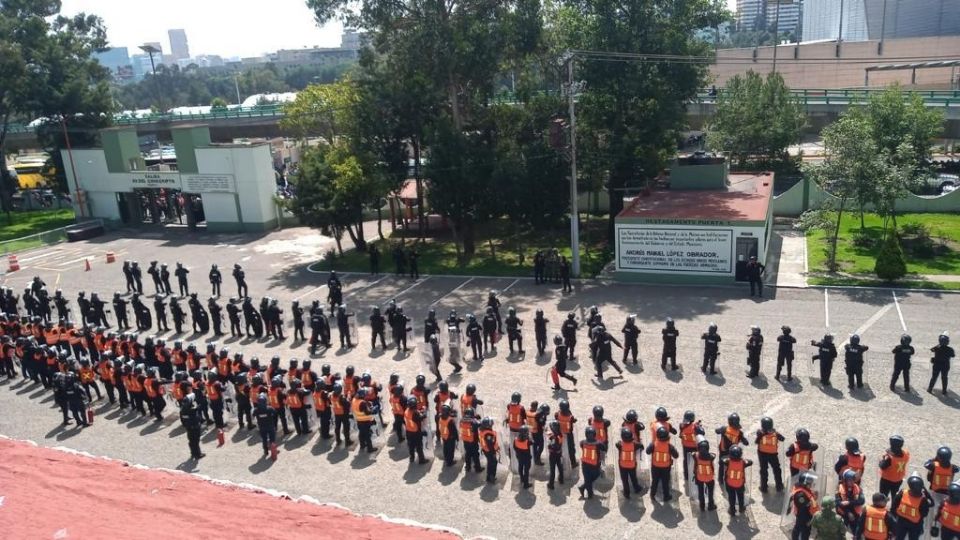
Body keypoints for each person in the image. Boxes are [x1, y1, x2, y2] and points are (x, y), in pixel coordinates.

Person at [892, 473, 933, 540]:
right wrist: (925, 491)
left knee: (899, 538)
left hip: (901, 521)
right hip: (915, 524)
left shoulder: (902, 493)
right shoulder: (923, 499)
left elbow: (894, 505)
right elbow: (926, 511)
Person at [647, 426, 679, 502]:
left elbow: (647, 451)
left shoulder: (654, 444)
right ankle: (666, 496)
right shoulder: (669, 446)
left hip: (655, 467)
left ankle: (652, 494)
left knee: (655, 481)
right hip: (666, 467)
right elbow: (676, 455)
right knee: (665, 482)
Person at [755, 416, 785, 493]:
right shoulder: (776, 434)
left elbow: (756, 442)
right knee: (777, 470)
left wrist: (761, 434)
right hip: (773, 454)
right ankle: (779, 486)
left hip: (762, 454)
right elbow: (782, 439)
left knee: (764, 470)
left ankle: (764, 487)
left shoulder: (760, 433)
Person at [723, 444, 753, 516]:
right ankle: (741, 508)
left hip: (729, 484)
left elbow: (722, 460)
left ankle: (732, 510)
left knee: (731, 497)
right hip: (740, 484)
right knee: (740, 496)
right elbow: (750, 462)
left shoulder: (728, 462)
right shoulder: (743, 463)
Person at [879, 435, 911, 501]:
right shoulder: (906, 454)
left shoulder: (890, 459)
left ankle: (882, 506)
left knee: (883, 495)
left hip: (887, 480)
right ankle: (894, 506)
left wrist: (883, 458)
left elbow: (882, 466)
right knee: (895, 494)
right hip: (898, 479)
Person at [790, 471, 820, 540]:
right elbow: (804, 506)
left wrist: (814, 497)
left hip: (807, 515)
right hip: (803, 516)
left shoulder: (805, 490)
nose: (811, 484)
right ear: (804, 484)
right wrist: (809, 519)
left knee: (802, 529)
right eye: (810, 483)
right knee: (803, 530)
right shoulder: (800, 494)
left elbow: (809, 499)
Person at [836, 469, 866, 535]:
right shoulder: (839, 488)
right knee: (840, 534)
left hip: (855, 513)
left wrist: (849, 502)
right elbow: (838, 503)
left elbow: (862, 501)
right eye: (849, 480)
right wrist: (848, 513)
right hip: (843, 513)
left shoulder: (858, 488)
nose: (852, 482)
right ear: (845, 480)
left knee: (857, 533)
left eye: (853, 480)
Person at [616, 426, 643, 499]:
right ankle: (636, 488)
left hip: (622, 466)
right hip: (632, 465)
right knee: (633, 478)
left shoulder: (620, 445)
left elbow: (616, 444)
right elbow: (641, 445)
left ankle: (626, 493)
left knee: (625, 480)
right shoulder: (635, 444)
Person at [578, 426, 602, 499]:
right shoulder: (598, 443)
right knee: (596, 475)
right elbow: (604, 447)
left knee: (587, 479)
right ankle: (589, 494)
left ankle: (585, 489)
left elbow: (582, 446)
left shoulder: (582, 442)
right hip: (594, 465)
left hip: (585, 464)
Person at [694, 438, 718, 512]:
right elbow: (714, 454)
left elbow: (693, 453)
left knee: (700, 492)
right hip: (709, 478)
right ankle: (711, 505)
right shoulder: (711, 457)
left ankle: (702, 506)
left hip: (699, 477)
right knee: (710, 493)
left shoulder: (696, 456)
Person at [179, 394, 205, 460]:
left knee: (191, 441)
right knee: (196, 441)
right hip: (195, 427)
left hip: (188, 427)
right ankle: (198, 454)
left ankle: (193, 453)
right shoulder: (192, 410)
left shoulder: (182, 411)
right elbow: (198, 408)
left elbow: (182, 420)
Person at [405, 396, 428, 464]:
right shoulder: (415, 414)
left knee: (411, 446)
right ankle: (421, 460)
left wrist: (420, 411)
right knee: (419, 447)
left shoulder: (407, 411)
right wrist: (424, 411)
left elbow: (416, 415)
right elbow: (422, 417)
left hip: (408, 431)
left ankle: (412, 458)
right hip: (416, 433)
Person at [460, 407, 483, 474]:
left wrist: (475, 418)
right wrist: (477, 419)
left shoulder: (462, 420)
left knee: (468, 454)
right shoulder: (473, 421)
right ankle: (478, 468)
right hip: (473, 441)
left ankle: (468, 467)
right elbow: (480, 424)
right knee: (475, 455)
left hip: (465, 440)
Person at [514, 425, 533, 489]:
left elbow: (514, 447)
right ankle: (526, 484)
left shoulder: (516, 440)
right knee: (526, 471)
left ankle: (522, 479)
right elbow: (533, 442)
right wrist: (529, 436)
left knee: (520, 467)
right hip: (527, 459)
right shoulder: (528, 441)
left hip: (519, 457)